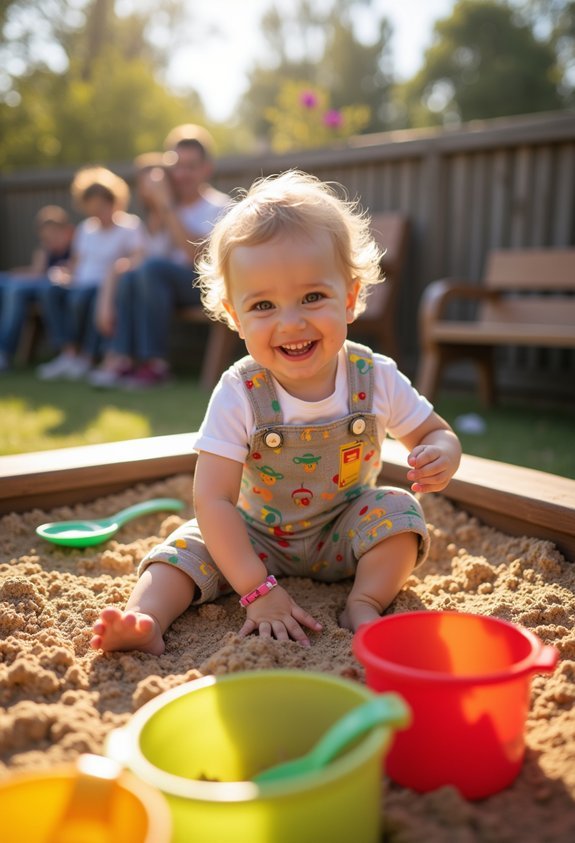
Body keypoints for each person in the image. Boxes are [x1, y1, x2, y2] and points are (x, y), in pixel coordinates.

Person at [90, 170, 461, 655]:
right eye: (263, 305)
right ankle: (146, 618)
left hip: (343, 530)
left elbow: (436, 432)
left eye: (312, 297)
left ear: (349, 297)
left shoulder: (375, 376)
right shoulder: (239, 391)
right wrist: (255, 588)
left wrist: (439, 454)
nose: (291, 322)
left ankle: (364, 601)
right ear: (235, 315)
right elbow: (214, 500)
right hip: (254, 538)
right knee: (187, 546)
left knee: (399, 511)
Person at [96, 124, 230, 388]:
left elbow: (198, 258)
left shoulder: (220, 206)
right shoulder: (165, 206)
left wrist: (167, 206)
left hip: (206, 287)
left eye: (190, 166)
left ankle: (156, 366)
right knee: (135, 273)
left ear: (207, 169)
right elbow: (146, 257)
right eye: (176, 166)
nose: (182, 174)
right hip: (163, 286)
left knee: (153, 268)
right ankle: (122, 359)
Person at [36, 166, 146, 381]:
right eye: (92, 208)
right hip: (80, 283)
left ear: (114, 201)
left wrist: (115, 271)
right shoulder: (85, 229)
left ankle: (87, 357)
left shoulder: (130, 226)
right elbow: (76, 264)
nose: (98, 213)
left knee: (81, 299)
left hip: (105, 287)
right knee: (49, 291)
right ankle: (68, 353)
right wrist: (63, 274)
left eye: (102, 206)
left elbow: (138, 258)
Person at [0, 206, 74, 372]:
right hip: (37, 285)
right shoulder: (46, 251)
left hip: (49, 289)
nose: (50, 242)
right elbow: (35, 272)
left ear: (67, 231)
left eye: (54, 235)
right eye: (46, 238)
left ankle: (3, 351)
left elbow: (63, 274)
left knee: (15, 290)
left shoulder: (74, 250)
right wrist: (15, 274)